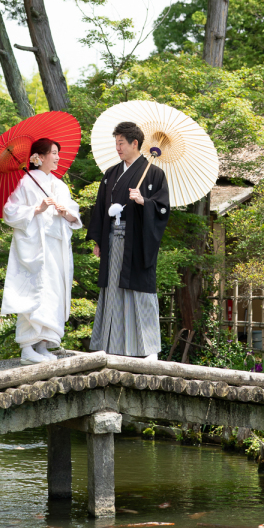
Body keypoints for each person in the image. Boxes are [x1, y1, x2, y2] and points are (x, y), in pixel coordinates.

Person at [87, 120, 170, 358]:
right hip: (114, 238)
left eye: (121, 143)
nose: (118, 148)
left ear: (135, 143)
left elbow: (163, 209)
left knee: (139, 290)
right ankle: (112, 346)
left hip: (138, 241)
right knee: (113, 288)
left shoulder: (154, 173)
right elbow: (100, 208)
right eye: (116, 143)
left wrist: (145, 202)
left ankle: (148, 349)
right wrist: (98, 240)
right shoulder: (111, 174)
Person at [1, 137, 82, 365]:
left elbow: (74, 216)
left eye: (58, 152)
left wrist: (65, 212)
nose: (57, 157)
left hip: (56, 246)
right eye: (53, 153)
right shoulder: (27, 182)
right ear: (39, 157)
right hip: (36, 246)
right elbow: (10, 212)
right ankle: (27, 347)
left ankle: (43, 344)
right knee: (34, 291)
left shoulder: (60, 185)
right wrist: (38, 208)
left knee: (53, 292)